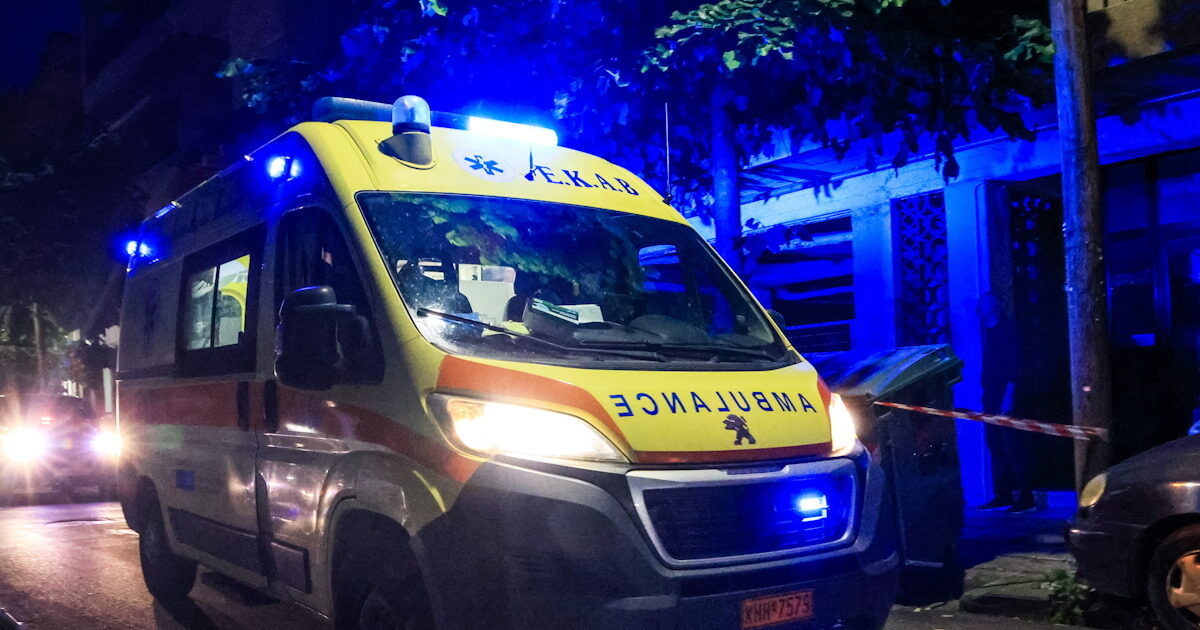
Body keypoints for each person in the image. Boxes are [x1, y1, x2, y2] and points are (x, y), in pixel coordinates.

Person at [976, 293, 1036, 513]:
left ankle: (1025, 496)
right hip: (991, 396)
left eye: (983, 304)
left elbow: (1014, 367)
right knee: (996, 445)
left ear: (995, 306)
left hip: (1006, 396)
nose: (979, 309)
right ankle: (1003, 494)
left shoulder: (1009, 330)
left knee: (1014, 446)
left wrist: (1008, 397)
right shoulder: (989, 333)